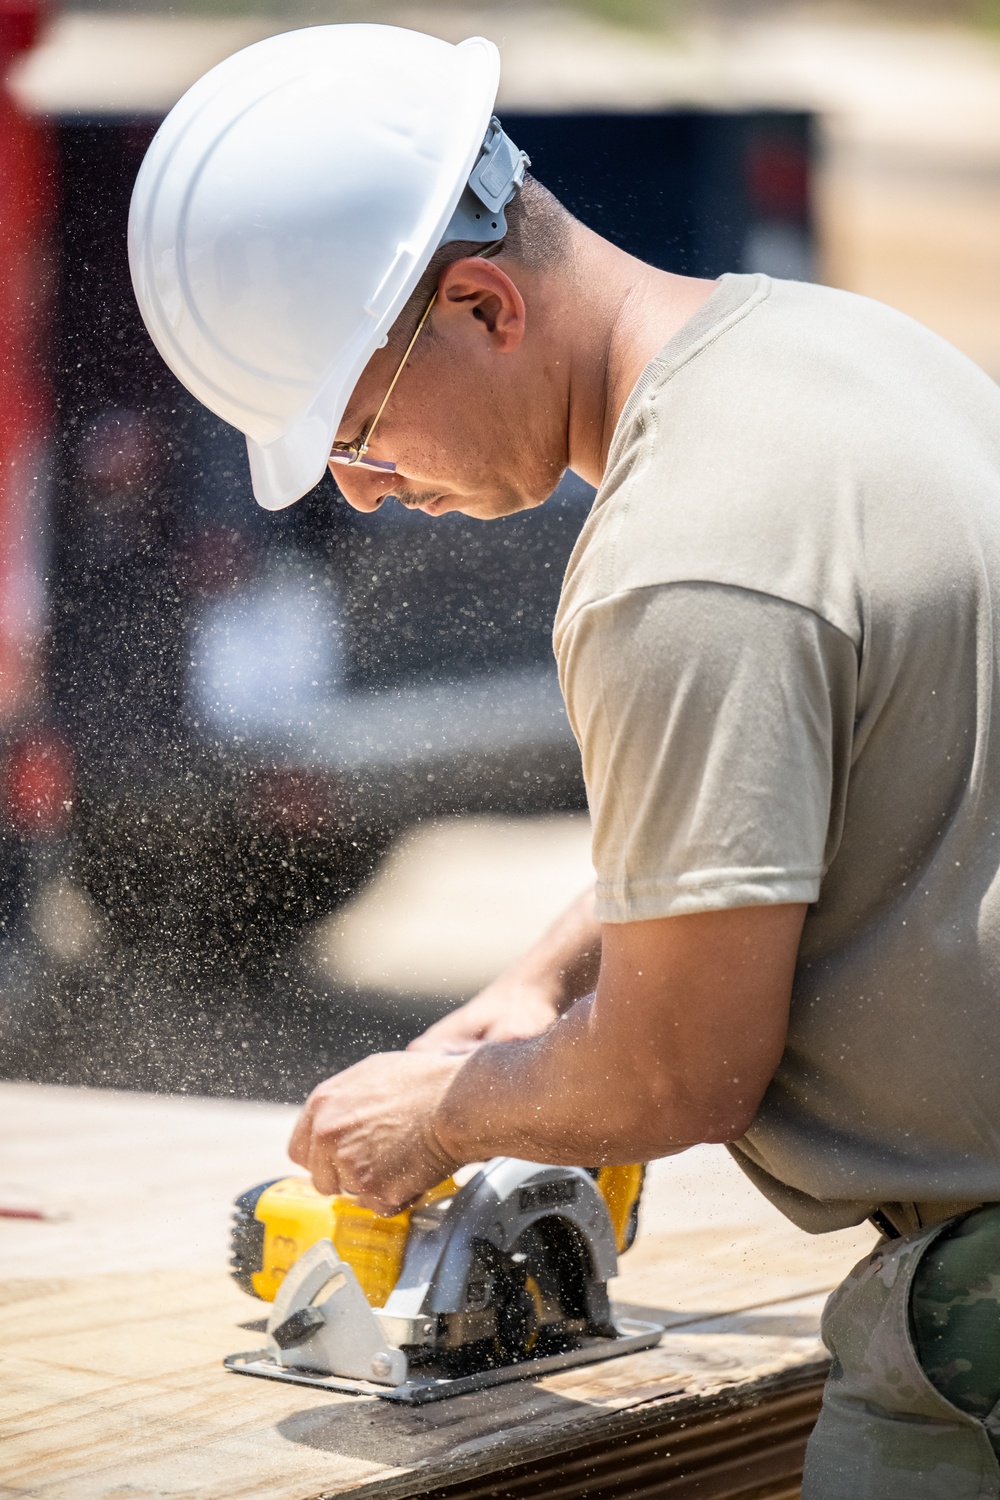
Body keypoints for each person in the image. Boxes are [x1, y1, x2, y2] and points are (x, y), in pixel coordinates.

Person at [129, 25, 1000, 1497]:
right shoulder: (841, 353)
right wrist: (548, 979)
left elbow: (679, 1074)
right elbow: (836, 770)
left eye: (359, 431)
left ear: (480, 303)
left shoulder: (680, 560)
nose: (364, 489)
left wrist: (442, 1115)